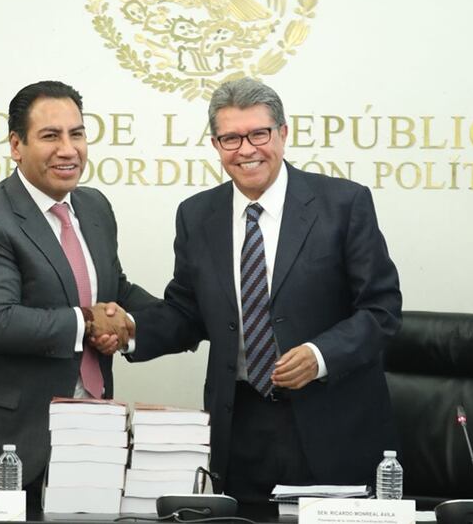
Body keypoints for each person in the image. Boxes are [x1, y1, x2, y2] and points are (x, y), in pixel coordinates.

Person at [129, 77, 402, 503]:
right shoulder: (197, 215)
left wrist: (319, 355)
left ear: (283, 134)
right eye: (231, 138)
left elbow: (381, 310)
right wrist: (128, 330)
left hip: (330, 422)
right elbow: (187, 311)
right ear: (217, 145)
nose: (247, 149)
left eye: (259, 133)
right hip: (240, 427)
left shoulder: (343, 204)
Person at [0, 80, 154, 497]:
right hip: (13, 446)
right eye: (50, 136)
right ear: (16, 145)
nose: (68, 149)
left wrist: (179, 317)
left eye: (76, 134)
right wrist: (87, 322)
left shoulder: (94, 206)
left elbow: (115, 291)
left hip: (92, 434)